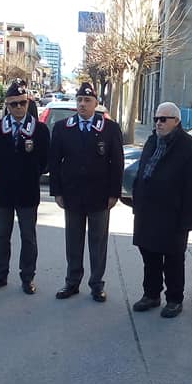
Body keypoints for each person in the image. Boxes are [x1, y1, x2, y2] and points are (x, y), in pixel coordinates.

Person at [48, 81, 123, 302]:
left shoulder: (109, 128)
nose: (82, 104)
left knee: (98, 242)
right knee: (73, 240)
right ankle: (72, 282)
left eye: (87, 100)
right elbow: (54, 162)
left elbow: (117, 163)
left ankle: (97, 284)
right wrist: (57, 192)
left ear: (96, 104)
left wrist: (114, 193)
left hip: (99, 196)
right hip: (71, 194)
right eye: (80, 100)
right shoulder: (63, 128)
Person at [129, 102, 192, 318]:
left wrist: (190, 218)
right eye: (156, 119)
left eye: (164, 119)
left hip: (173, 214)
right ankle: (151, 294)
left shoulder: (189, 147)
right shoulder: (153, 140)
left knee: (172, 258)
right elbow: (143, 170)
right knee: (149, 255)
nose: (158, 123)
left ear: (176, 121)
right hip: (147, 211)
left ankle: (174, 299)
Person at [0, 79, 50, 293]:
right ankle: (0, 276)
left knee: (28, 237)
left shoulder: (39, 130)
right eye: (14, 104)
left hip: (28, 192)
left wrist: (28, 174)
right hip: (2, 192)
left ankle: (27, 277)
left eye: (22, 103)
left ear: (28, 103)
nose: (19, 107)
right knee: (2, 237)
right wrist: (6, 173)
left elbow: (45, 161)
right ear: (7, 106)